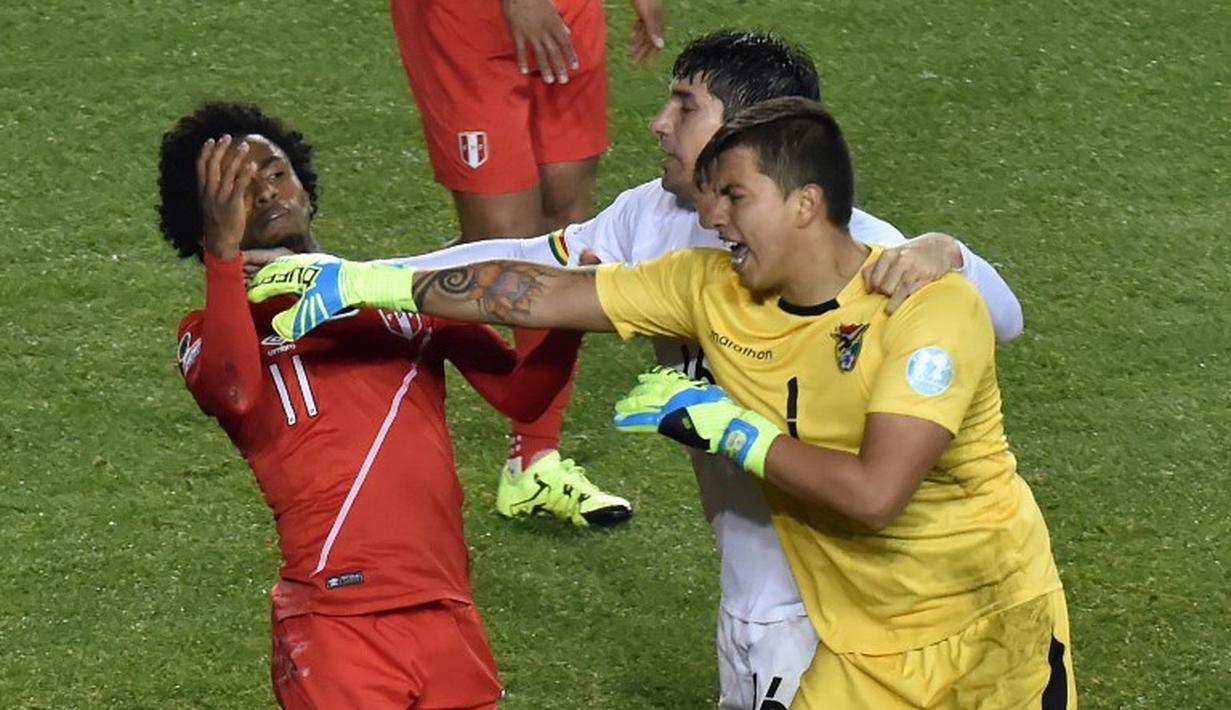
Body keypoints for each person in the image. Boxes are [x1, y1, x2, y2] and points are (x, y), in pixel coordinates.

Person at [241, 30, 1027, 709]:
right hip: (750, 588)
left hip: (852, 593)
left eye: (685, 105)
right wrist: (353, 275)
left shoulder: (862, 252)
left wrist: (947, 252)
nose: (658, 122)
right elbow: (525, 269)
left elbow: (998, 317)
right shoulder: (651, 219)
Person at [158, 101, 585, 708]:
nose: (268, 193)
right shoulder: (213, 329)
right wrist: (225, 260)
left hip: (447, 611)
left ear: (304, 182)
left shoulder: (399, 289)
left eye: (275, 173)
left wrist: (570, 315)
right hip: (335, 623)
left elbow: (522, 393)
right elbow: (232, 391)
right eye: (240, 192)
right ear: (207, 225)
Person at [387, 0, 665, 528]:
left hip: (571, 10)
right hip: (467, 16)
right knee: (504, 243)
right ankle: (348, 306)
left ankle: (532, 461)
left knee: (566, 226)